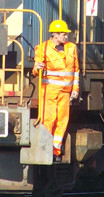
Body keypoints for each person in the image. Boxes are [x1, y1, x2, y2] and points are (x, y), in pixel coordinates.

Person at [34, 19, 79, 162]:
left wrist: (75, 89)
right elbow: (36, 70)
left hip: (65, 92)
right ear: (55, 35)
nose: (66, 36)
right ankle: (45, 149)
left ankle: (56, 150)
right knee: (48, 119)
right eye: (63, 34)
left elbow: (76, 70)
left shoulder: (71, 48)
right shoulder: (42, 48)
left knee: (62, 120)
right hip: (49, 91)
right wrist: (38, 67)